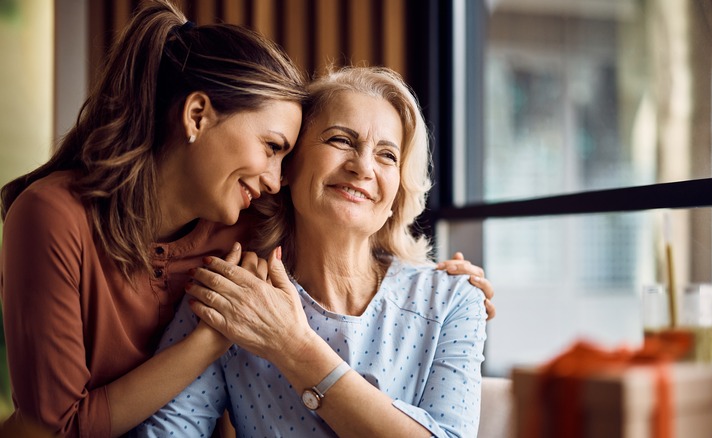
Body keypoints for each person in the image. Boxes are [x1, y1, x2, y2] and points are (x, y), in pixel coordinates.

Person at [0, 1, 493, 436]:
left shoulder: (244, 225)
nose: (275, 179)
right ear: (197, 116)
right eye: (339, 140)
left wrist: (451, 287)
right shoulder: (236, 268)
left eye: (388, 155)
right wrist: (215, 338)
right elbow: (66, 427)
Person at [133, 66, 488, 438]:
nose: (362, 166)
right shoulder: (235, 294)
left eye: (387, 155)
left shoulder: (453, 299)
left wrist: (293, 346)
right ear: (288, 166)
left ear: (398, 192)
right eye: (341, 140)